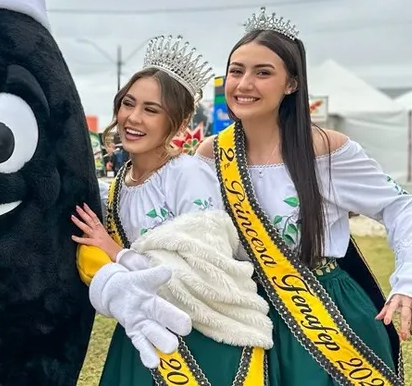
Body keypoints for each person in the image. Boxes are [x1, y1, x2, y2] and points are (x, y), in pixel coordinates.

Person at [196, 7, 412, 385]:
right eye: (236, 71)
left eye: (263, 72)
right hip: (241, 313)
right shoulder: (210, 155)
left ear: (292, 84)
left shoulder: (326, 150)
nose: (244, 83)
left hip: (325, 314)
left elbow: (398, 204)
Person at [74, 35, 272, 385]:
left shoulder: (188, 175)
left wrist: (114, 252)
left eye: (151, 110)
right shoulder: (119, 184)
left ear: (178, 124)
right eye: (128, 103)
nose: (133, 118)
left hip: (202, 343)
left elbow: (204, 275)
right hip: (145, 335)